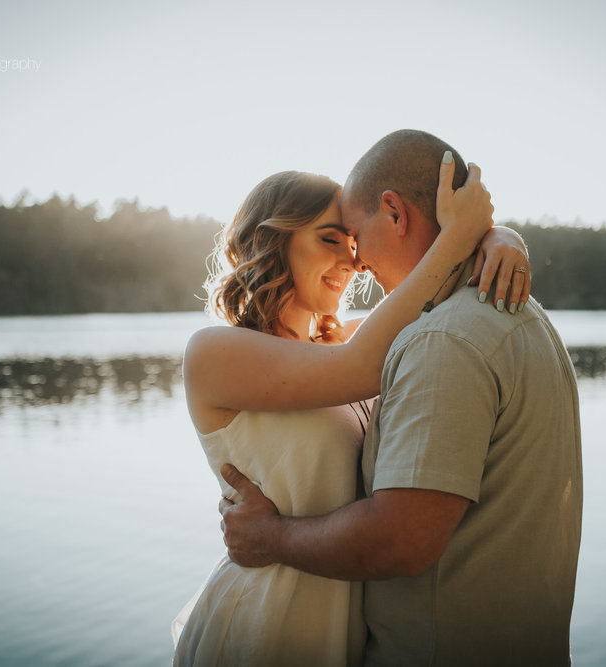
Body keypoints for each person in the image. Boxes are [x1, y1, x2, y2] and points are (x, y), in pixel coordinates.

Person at [219, 130, 583, 666]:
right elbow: (364, 356)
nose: (355, 260)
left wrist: (269, 538)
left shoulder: (441, 339)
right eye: (333, 239)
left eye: (353, 235)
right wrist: (484, 236)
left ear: (394, 212)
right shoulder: (523, 318)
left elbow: (402, 540)